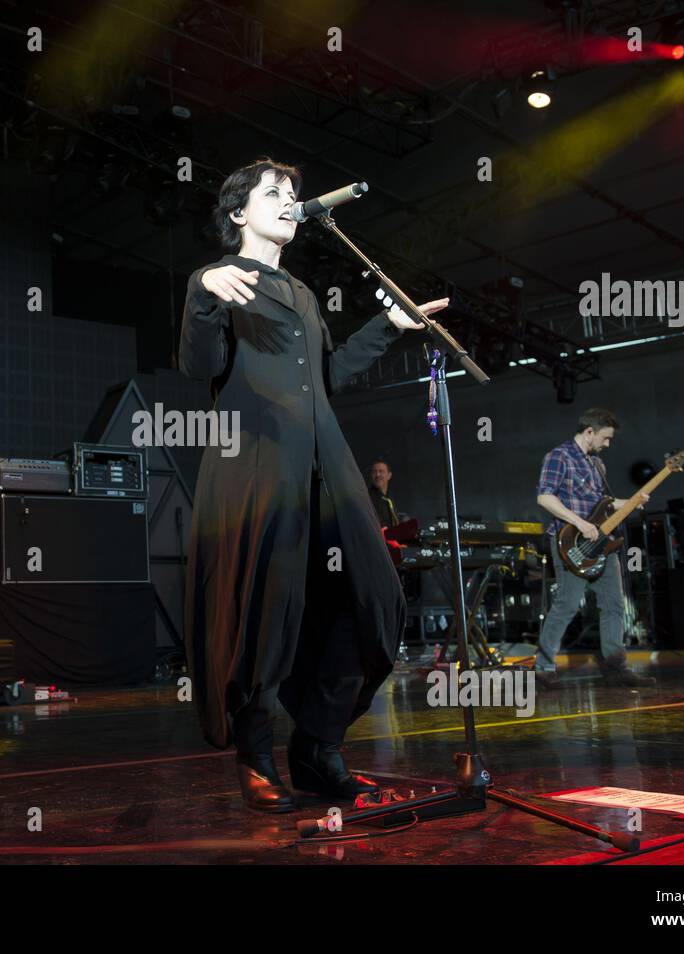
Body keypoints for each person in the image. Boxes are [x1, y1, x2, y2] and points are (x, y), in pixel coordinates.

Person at [178, 157, 450, 813]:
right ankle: (257, 757)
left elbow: (325, 377)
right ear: (237, 213)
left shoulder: (300, 292)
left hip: (328, 468)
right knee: (261, 612)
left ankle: (318, 747)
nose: (288, 201)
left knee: (372, 600)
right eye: (272, 193)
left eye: (293, 194)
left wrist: (390, 326)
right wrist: (207, 294)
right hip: (257, 466)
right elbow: (199, 365)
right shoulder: (216, 278)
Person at [534, 408, 654, 689]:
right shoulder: (559, 456)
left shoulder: (597, 464)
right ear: (589, 432)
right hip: (570, 541)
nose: (608, 444)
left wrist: (631, 502)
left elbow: (604, 503)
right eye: (606, 438)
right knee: (566, 605)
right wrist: (580, 523)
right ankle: (542, 669)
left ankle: (615, 668)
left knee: (613, 605)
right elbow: (544, 497)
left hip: (601, 544)